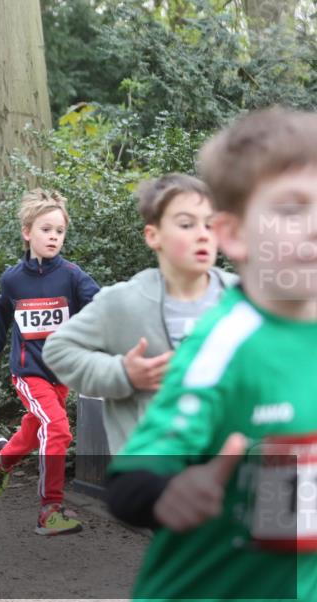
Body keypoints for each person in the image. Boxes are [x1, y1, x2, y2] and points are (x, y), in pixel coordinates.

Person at [106, 108, 317, 602]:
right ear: (234, 236)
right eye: (291, 210)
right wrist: (168, 493)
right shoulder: (226, 345)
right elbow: (131, 480)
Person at [43, 174, 238, 454]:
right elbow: (58, 351)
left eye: (210, 224)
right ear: (153, 235)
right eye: (186, 224)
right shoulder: (122, 302)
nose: (203, 234)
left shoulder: (245, 301)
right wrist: (122, 373)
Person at [0, 188, 100, 535]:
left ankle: (3, 460)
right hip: (28, 371)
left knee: (37, 430)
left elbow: (100, 305)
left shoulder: (72, 276)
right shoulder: (13, 279)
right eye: (46, 229)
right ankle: (50, 510)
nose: (53, 237)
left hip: (61, 372)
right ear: (27, 232)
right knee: (59, 428)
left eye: (59, 231)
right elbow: (2, 312)